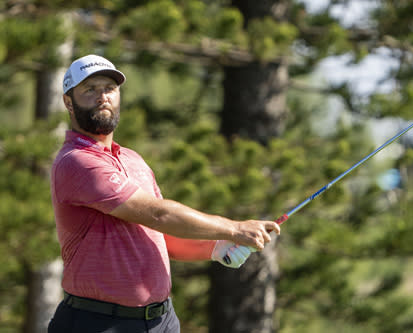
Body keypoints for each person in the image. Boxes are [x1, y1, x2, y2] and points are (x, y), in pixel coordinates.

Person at [48, 54, 280, 333]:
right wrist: (234, 228)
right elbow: (158, 214)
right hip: (98, 322)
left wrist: (214, 248)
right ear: (68, 102)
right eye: (90, 89)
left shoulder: (133, 160)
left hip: (161, 321)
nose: (102, 97)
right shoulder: (76, 161)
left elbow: (159, 233)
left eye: (109, 89)